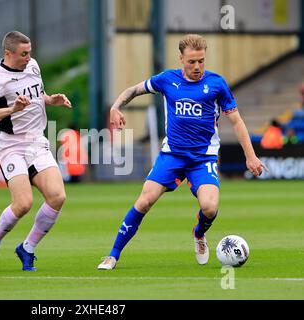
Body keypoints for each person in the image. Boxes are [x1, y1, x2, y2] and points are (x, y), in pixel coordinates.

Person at [97, 34, 267, 270]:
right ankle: (112, 255)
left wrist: (250, 156)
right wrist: (116, 107)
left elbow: (236, 121)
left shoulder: (217, 84)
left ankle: (198, 234)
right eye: (192, 62)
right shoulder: (167, 80)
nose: (197, 67)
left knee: (210, 207)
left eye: (201, 61)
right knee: (144, 201)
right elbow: (134, 90)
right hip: (173, 155)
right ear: (181, 59)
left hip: (202, 157)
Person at [0, 31, 72, 271]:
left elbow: (38, 95)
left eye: (30, 52)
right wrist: (12, 109)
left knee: (57, 196)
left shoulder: (33, 65)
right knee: (23, 204)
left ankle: (27, 248)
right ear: (8, 53)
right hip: (12, 145)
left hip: (37, 142)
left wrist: (51, 100)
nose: (29, 57)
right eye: (23, 54)